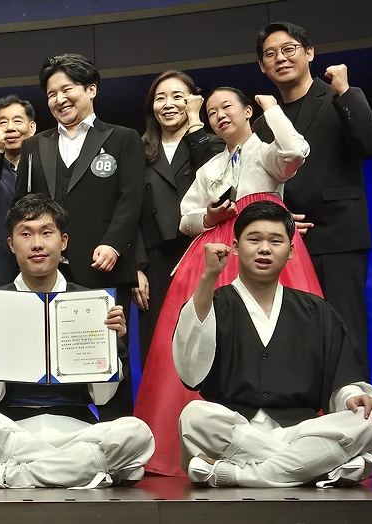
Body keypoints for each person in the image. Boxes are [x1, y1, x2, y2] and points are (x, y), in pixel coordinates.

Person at [134, 87, 321, 476]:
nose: (219, 115)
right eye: (212, 111)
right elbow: (185, 219)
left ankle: (282, 434)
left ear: (248, 111)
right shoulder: (209, 168)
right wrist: (211, 217)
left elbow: (295, 152)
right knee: (206, 335)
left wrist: (273, 110)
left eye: (227, 107)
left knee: (277, 334)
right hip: (218, 255)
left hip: (264, 250)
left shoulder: (266, 152)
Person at [175, 201, 372, 487]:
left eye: (275, 241)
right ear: (236, 247)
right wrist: (208, 277)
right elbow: (191, 374)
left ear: (290, 251)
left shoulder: (316, 311)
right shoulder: (214, 303)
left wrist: (351, 395)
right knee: (194, 417)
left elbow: (341, 378)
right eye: (254, 240)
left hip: (300, 430)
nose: (264, 249)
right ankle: (314, 466)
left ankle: (239, 474)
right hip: (237, 430)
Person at [0, 194, 153, 488]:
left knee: (137, 432)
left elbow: (102, 398)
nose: (37, 244)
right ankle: (85, 468)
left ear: (64, 241)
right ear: (11, 244)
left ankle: (12, 475)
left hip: (78, 429)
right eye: (26, 234)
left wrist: (110, 342)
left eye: (46, 233)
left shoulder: (94, 304)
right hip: (14, 430)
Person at [253, 22, 372, 376]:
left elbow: (371, 145)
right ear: (262, 67)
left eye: (289, 49)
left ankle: (356, 409)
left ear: (309, 53)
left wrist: (346, 92)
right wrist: (277, 220)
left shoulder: (338, 98)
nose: (280, 58)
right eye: (270, 54)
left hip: (337, 238)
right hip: (286, 247)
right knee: (296, 344)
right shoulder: (265, 122)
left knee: (346, 335)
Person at [15, 54, 144, 294]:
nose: (59, 99)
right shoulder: (33, 146)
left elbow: (131, 199)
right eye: (52, 94)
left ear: (91, 89)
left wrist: (114, 244)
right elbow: (20, 205)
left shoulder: (123, 139)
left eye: (67, 90)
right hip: (47, 272)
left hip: (103, 263)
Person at [133, 71, 224, 364]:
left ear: (193, 101)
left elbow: (217, 183)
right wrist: (136, 267)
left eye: (178, 97)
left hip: (200, 253)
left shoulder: (213, 143)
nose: (168, 104)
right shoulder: (136, 150)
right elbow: (128, 210)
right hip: (154, 259)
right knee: (158, 346)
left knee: (204, 341)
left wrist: (196, 123)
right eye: (160, 98)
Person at [0, 96, 39, 286]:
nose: (10, 128)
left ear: (32, 127)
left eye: (17, 121)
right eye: (3, 122)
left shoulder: (45, 165)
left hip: (39, 254)